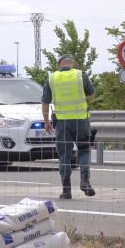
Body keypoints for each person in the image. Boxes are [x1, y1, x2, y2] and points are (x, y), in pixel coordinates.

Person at [42, 54, 96, 199]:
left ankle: (66, 191)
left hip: (62, 122)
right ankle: (85, 181)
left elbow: (45, 102)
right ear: (73, 63)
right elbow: (91, 94)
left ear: (59, 64)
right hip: (81, 120)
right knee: (84, 150)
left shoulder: (52, 78)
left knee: (64, 156)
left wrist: (47, 122)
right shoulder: (80, 75)